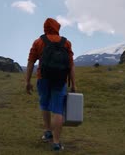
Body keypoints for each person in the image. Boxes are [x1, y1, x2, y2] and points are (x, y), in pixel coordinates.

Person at [26, 18, 76, 152]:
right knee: (58, 110)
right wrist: (73, 84)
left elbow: (31, 62)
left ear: (45, 27)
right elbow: (71, 65)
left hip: (43, 78)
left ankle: (48, 131)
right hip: (60, 80)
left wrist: (27, 81)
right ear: (57, 27)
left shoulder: (39, 42)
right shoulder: (66, 43)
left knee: (44, 104)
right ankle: (56, 142)